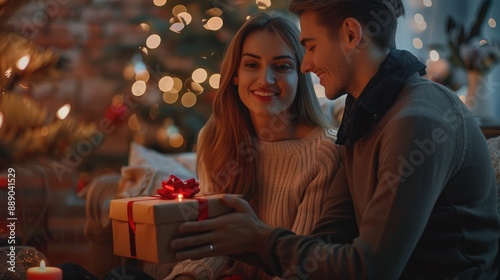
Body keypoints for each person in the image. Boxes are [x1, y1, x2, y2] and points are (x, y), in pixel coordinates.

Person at [170, 0, 500, 279]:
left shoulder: (415, 121)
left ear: (351, 34)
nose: (307, 64)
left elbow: (370, 268)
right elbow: (328, 239)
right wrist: (241, 238)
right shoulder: (366, 113)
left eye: (310, 46)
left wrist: (259, 239)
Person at [161, 11, 342, 280]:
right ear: (235, 75)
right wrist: (186, 276)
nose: (265, 79)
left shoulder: (324, 152)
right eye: (251, 65)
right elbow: (213, 243)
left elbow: (302, 263)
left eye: (281, 67)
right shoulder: (214, 137)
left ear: (300, 76)